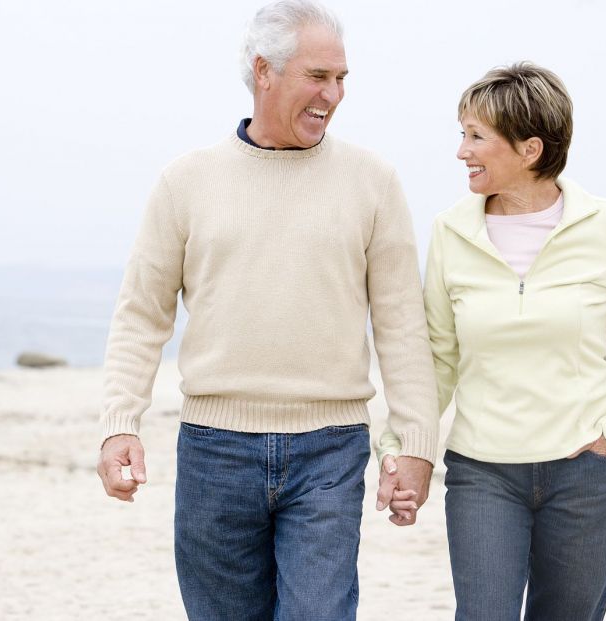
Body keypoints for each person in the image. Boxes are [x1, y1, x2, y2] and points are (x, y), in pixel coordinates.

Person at [95, 1, 438, 619]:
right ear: (263, 71)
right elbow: (141, 316)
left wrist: (415, 443)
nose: (333, 94)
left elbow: (402, 325)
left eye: (341, 78)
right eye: (318, 76)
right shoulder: (185, 182)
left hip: (331, 449)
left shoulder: (374, 181)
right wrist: (120, 424)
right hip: (214, 451)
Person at [379, 61, 606, 619]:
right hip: (483, 474)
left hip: (586, 475)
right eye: (462, 134)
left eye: (477, 137)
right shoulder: (451, 232)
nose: (461, 151)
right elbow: (437, 359)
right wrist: (401, 446)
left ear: (530, 149)